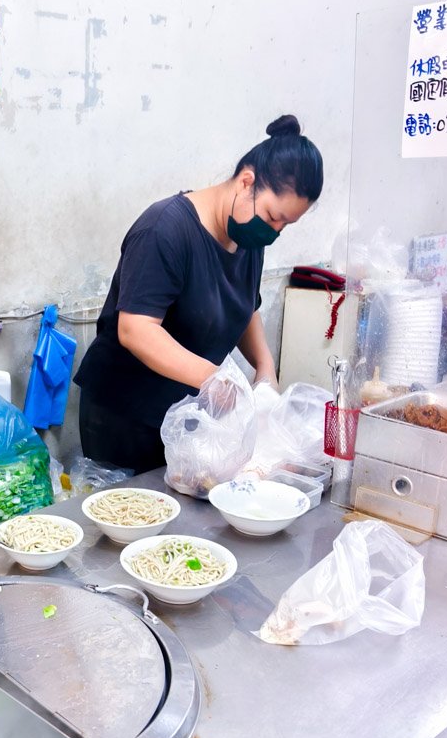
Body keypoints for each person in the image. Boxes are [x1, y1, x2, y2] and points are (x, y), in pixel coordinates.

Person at [74, 115, 324, 473]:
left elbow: (243, 304)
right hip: (126, 415)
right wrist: (215, 380)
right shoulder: (165, 229)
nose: (275, 231)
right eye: (272, 217)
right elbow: (136, 329)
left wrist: (265, 367)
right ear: (246, 182)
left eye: (286, 224)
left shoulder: (249, 238)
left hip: (188, 416)